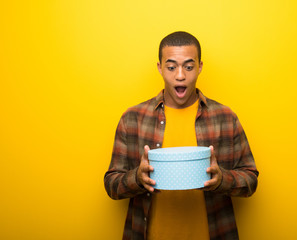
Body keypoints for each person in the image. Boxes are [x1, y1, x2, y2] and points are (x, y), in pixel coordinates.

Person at [104, 31, 259, 240]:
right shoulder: (132, 119)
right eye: (171, 67)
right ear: (159, 68)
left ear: (200, 67)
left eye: (188, 67)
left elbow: (251, 180)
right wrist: (137, 178)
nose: (180, 75)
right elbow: (112, 185)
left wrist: (222, 178)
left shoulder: (225, 117)